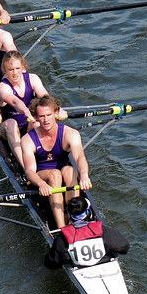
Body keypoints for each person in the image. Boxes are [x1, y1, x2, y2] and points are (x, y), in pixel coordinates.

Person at [21, 94, 91, 230]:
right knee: (54, 175)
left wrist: (84, 175)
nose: (46, 120)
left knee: (70, 170)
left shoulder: (70, 134)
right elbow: (29, 171)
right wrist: (41, 184)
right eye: (41, 116)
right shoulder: (27, 139)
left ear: (57, 113)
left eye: (49, 115)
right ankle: (62, 228)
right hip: (41, 175)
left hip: (63, 171)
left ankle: (73, 220)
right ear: (35, 117)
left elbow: (80, 158)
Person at [44, 194, 129, 270]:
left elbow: (51, 264)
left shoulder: (63, 237)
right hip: (104, 264)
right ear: (89, 213)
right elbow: (124, 247)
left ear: (69, 215)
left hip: (79, 269)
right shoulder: (102, 231)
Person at [0, 50, 48, 168]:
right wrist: (26, 111)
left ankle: (47, 159)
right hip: (9, 129)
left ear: (23, 67)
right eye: (10, 69)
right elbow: (14, 101)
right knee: (11, 123)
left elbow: (45, 97)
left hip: (29, 124)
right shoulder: (2, 87)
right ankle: (26, 168)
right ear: (5, 69)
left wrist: (55, 109)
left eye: (17, 68)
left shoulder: (32, 78)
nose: (15, 73)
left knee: (37, 123)